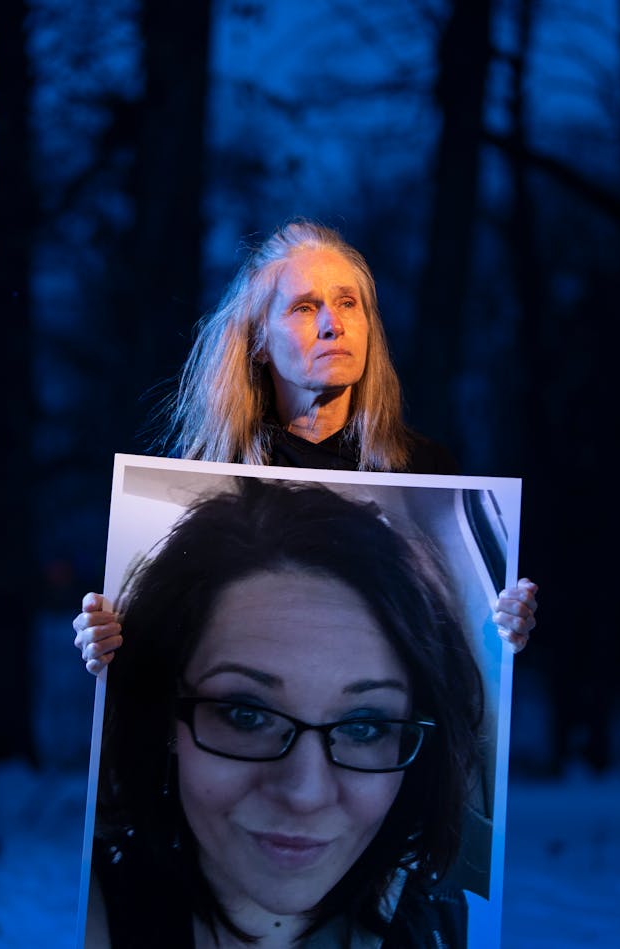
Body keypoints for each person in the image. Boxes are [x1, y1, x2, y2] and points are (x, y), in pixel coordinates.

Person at [75, 220, 539, 674]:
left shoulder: (424, 472)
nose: (332, 325)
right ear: (259, 342)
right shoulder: (204, 475)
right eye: (303, 308)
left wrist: (498, 629)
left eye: (347, 303)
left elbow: (449, 646)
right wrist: (110, 639)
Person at [86, 479, 485, 948]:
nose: (305, 793)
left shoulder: (449, 926)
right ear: (164, 720)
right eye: (247, 715)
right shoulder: (87, 909)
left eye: (364, 726)